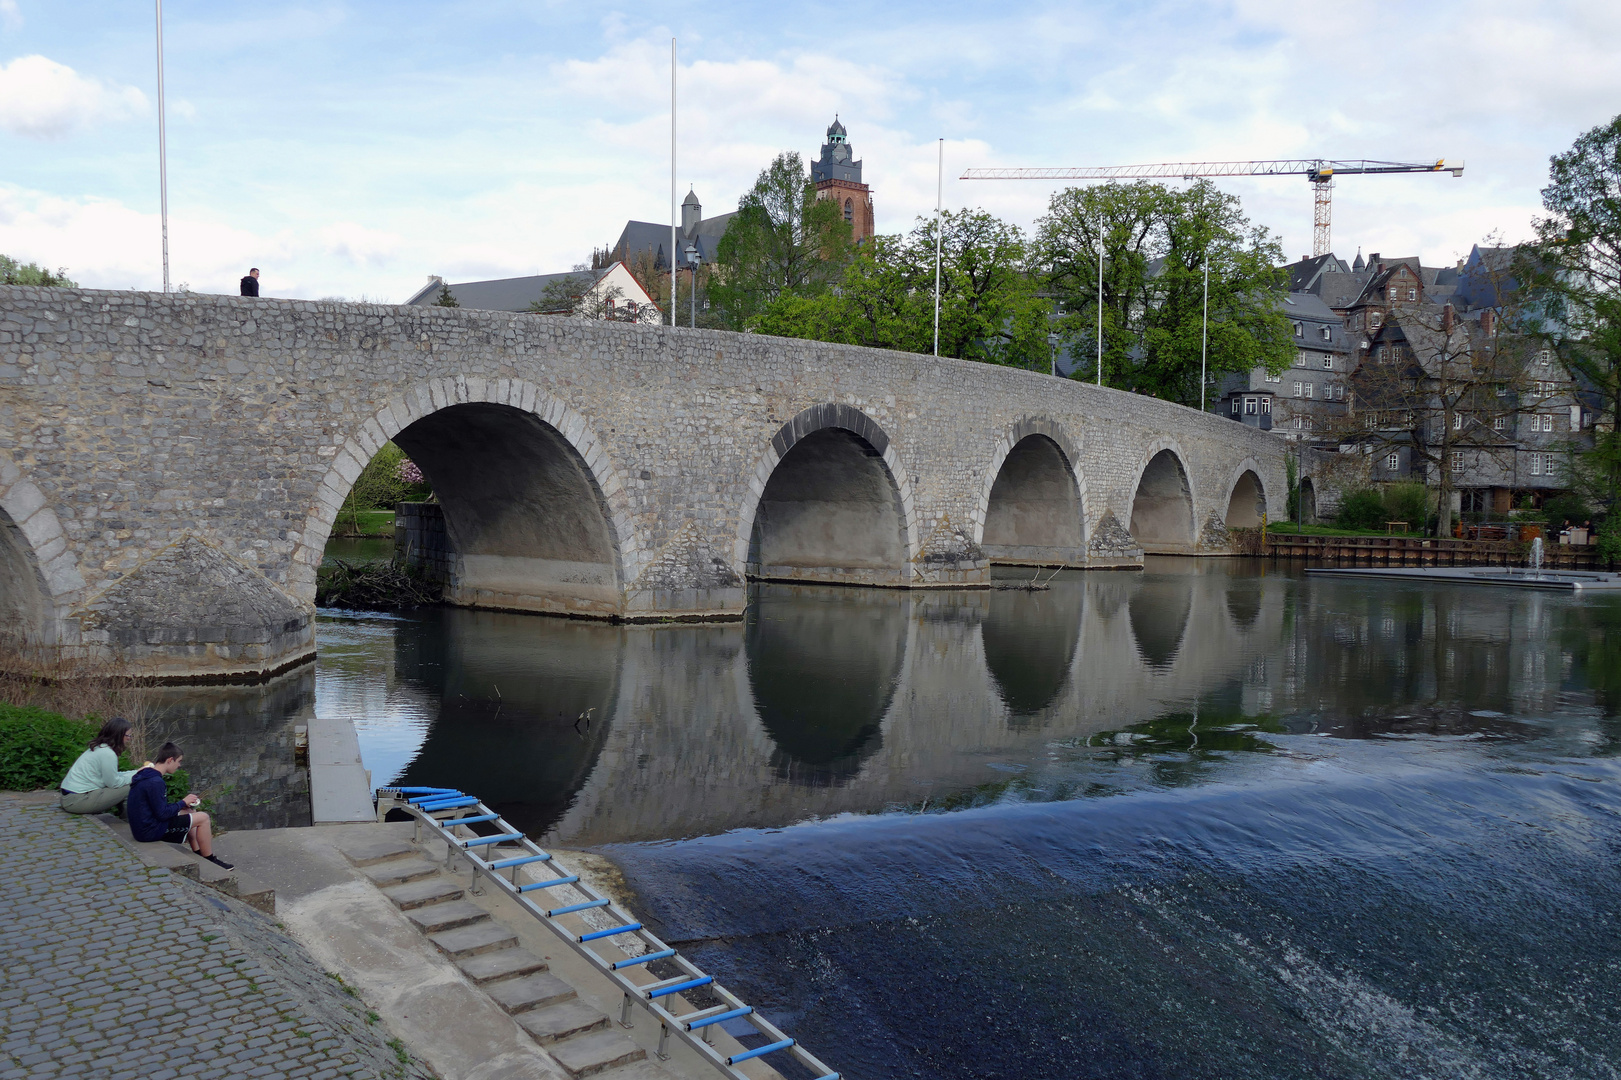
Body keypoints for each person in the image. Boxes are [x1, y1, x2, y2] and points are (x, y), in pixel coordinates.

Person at [127, 742, 232, 869]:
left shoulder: (146, 775)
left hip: (142, 827)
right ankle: (210, 859)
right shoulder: (156, 782)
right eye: (179, 761)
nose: (179, 765)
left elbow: (156, 808)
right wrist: (182, 802)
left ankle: (197, 852)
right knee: (203, 818)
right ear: (170, 760)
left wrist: (183, 806)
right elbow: (162, 814)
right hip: (148, 832)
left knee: (189, 812)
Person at [59, 717, 139, 814]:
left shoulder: (99, 748)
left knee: (134, 779)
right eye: (128, 735)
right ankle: (128, 822)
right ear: (118, 735)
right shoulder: (108, 754)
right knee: (135, 784)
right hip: (77, 801)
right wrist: (138, 775)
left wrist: (137, 772)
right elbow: (114, 783)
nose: (129, 739)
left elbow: (112, 776)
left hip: (69, 798)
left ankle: (123, 816)